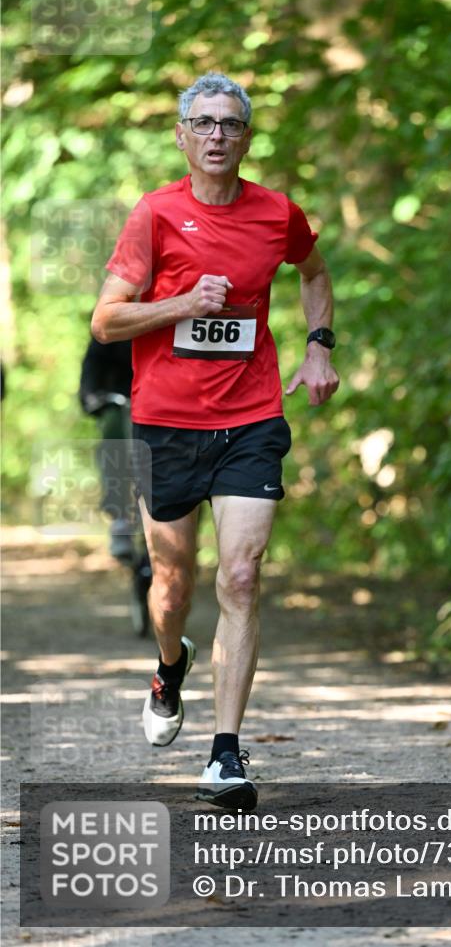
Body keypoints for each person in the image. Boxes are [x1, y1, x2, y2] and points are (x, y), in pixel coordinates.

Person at [91, 72, 339, 810]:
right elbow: (106, 321)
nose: (217, 136)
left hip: (251, 418)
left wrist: (318, 347)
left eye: (230, 124)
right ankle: (170, 666)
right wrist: (179, 304)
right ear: (182, 136)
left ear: (246, 137)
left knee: (241, 576)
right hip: (166, 422)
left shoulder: (277, 213)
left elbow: (314, 272)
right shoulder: (154, 214)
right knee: (172, 588)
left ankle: (225, 755)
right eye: (203, 123)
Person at [78, 336, 135, 561]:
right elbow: (94, 359)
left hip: (166, 399)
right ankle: (120, 518)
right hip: (121, 398)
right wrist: (90, 394)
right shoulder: (117, 318)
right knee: (113, 435)